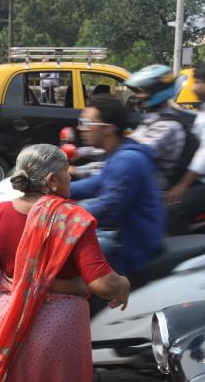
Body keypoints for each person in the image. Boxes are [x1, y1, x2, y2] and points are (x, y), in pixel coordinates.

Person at [0, 144, 130, 382]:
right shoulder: (73, 218)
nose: (70, 179)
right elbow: (103, 284)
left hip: (9, 324)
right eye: (67, 173)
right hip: (60, 330)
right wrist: (123, 284)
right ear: (52, 180)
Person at [70, 93, 164, 281]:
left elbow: (107, 208)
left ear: (108, 129)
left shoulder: (126, 160)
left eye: (87, 123)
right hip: (125, 237)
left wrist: (63, 214)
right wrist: (58, 188)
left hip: (134, 249)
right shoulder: (118, 154)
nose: (81, 128)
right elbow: (96, 183)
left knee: (70, 275)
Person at [125, 64, 187, 190]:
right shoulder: (151, 119)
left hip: (148, 194)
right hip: (134, 186)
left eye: (143, 92)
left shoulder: (168, 126)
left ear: (158, 92)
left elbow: (131, 156)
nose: (138, 96)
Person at [166, 62, 205, 234]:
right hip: (197, 179)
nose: (193, 87)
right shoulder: (201, 111)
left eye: (197, 82)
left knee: (173, 209)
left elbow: (202, 156)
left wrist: (182, 185)